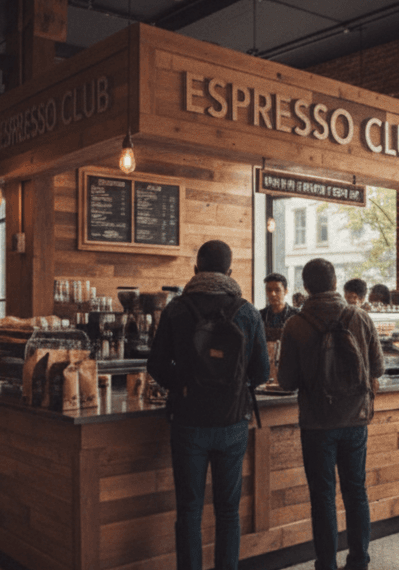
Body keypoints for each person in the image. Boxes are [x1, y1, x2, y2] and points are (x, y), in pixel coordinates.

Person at [148, 240, 269, 570]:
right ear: (230, 272)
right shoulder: (246, 311)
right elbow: (262, 372)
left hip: (188, 422)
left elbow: (156, 366)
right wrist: (233, 387)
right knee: (228, 511)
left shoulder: (176, 309)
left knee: (189, 510)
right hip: (232, 424)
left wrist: (183, 385)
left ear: (196, 270)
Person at [277, 259, 382, 570]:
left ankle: (326, 563)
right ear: (336, 283)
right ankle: (359, 560)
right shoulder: (360, 317)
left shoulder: (295, 324)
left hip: (316, 422)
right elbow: (377, 368)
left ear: (306, 287)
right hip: (355, 419)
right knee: (356, 490)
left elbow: (286, 381)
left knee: (322, 496)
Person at [259, 272, 301, 337]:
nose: (272, 294)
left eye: (277, 290)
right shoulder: (260, 315)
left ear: (285, 291)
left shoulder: (296, 314)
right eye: (269, 290)